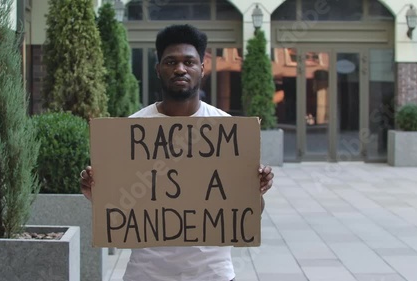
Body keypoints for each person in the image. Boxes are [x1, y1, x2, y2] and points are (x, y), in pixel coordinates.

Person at [80, 24, 274, 281]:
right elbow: (122, 209)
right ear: (158, 69)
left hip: (212, 274)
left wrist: (255, 191)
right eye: (171, 62)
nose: (180, 69)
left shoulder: (227, 128)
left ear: (202, 69)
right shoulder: (131, 130)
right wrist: (98, 194)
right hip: (146, 274)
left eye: (188, 62)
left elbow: (247, 212)